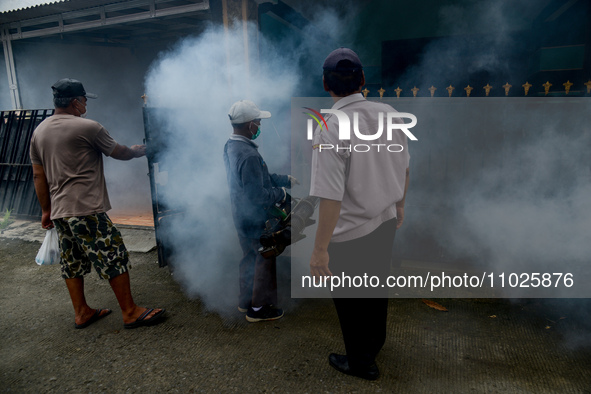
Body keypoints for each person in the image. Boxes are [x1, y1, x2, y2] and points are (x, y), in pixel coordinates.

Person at [30, 78, 165, 330]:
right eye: (83, 100)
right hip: (86, 210)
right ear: (74, 102)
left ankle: (82, 312)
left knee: (72, 262)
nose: (85, 105)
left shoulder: (39, 132)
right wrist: (138, 151)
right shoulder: (88, 127)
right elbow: (119, 152)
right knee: (114, 255)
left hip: (61, 213)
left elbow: (39, 175)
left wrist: (46, 210)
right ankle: (130, 312)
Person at [309, 48, 410, 380]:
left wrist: (320, 249)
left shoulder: (329, 126)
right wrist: (399, 205)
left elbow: (330, 196)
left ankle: (362, 362)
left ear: (326, 84)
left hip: (351, 233)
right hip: (384, 223)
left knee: (352, 301)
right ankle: (374, 343)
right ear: (363, 80)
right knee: (375, 288)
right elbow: (405, 167)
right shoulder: (389, 113)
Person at [223, 100, 297, 322]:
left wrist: (284, 180)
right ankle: (259, 309)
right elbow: (257, 195)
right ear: (249, 125)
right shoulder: (249, 155)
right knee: (264, 258)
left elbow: (257, 179)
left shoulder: (230, 145)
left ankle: (245, 302)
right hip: (255, 218)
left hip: (240, 214)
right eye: (258, 122)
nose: (260, 126)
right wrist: (281, 194)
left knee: (249, 256)